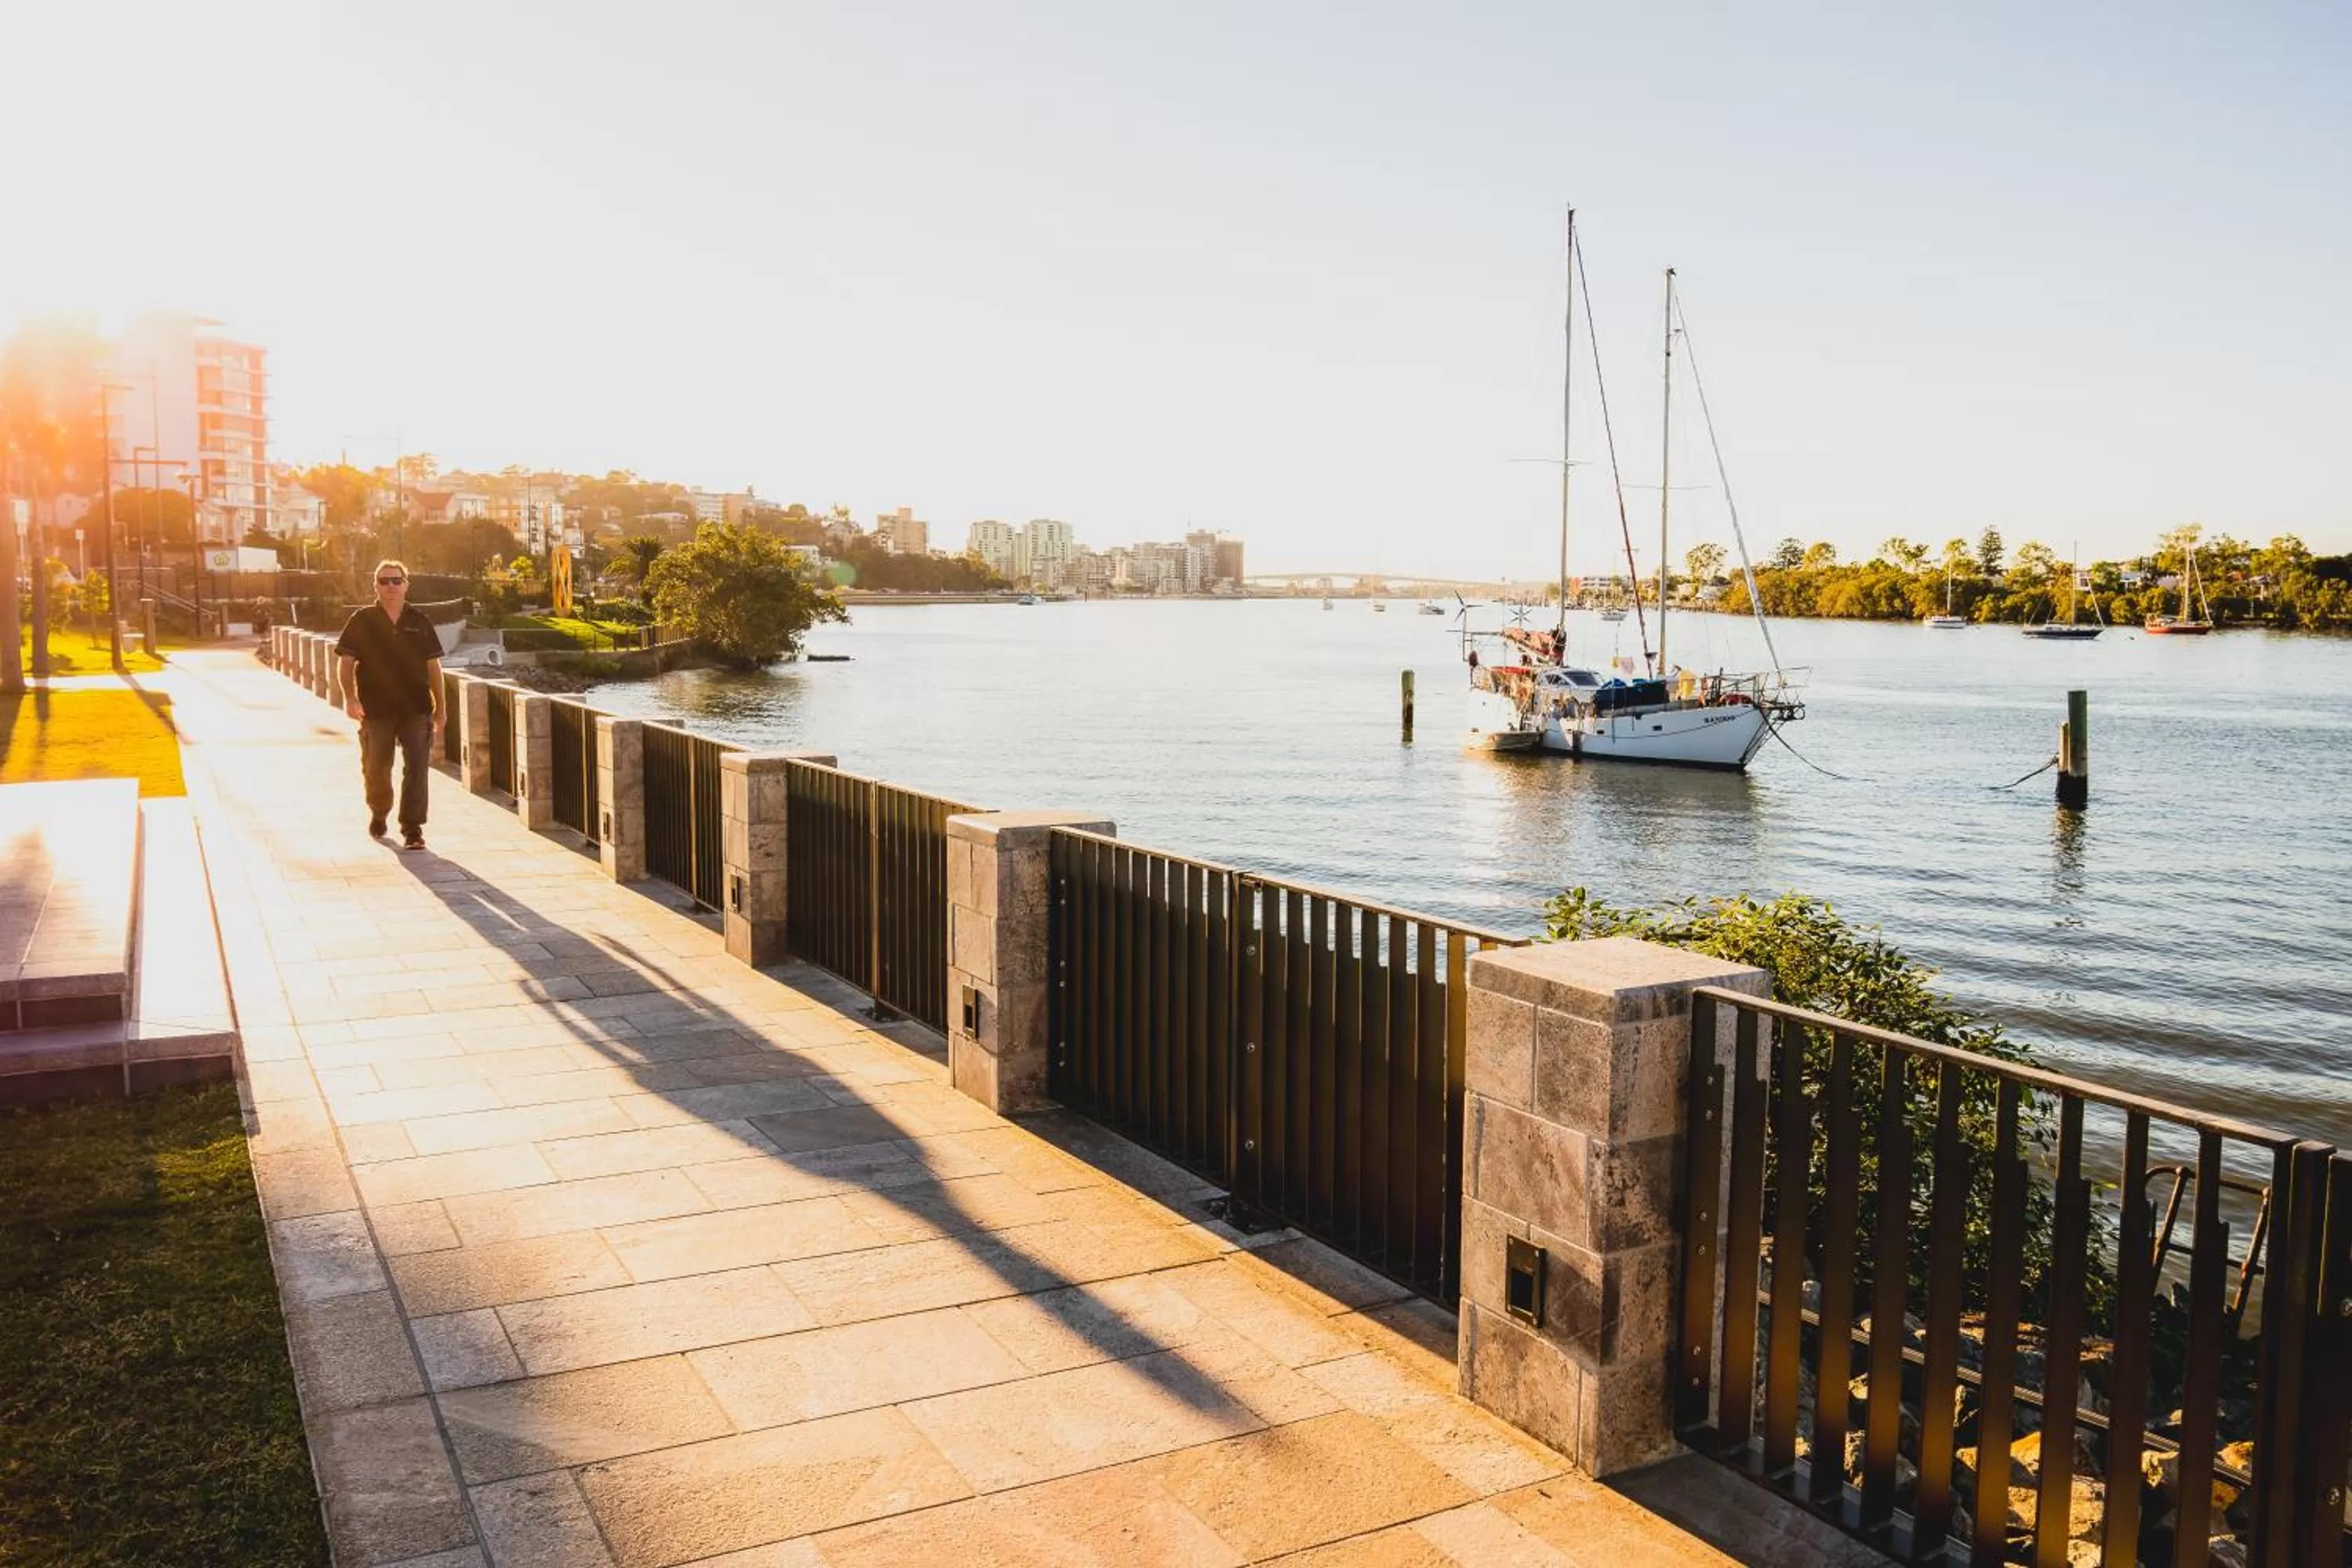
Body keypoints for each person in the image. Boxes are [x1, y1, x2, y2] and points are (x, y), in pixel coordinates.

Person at [335, 560, 445, 848]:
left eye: (397, 580)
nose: (391, 586)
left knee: (417, 768)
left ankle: (412, 828)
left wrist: (441, 709)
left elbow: (434, 667)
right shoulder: (362, 620)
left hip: (416, 708)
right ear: (376, 586)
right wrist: (350, 697)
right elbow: (346, 663)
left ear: (407, 585)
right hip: (376, 709)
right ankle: (379, 811)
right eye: (384, 581)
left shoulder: (419, 621)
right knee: (376, 768)